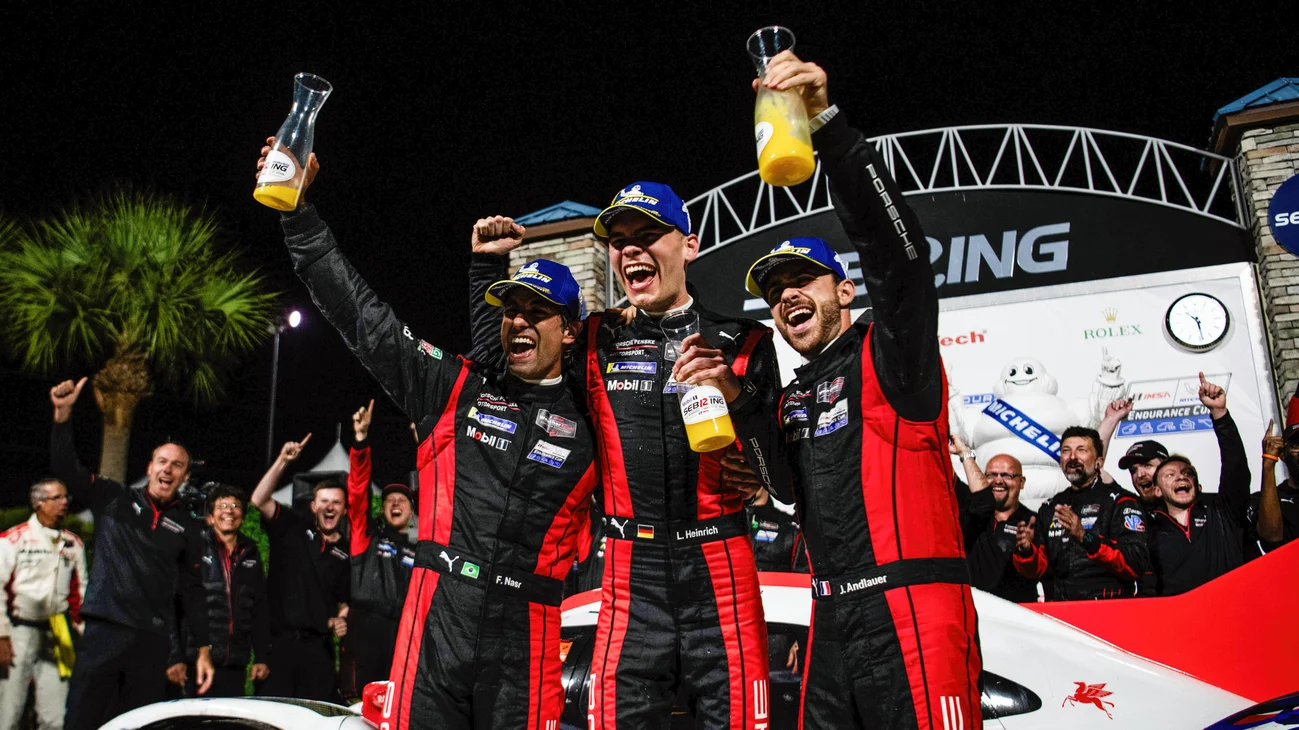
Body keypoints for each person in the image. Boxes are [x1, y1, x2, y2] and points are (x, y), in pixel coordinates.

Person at [264, 151, 597, 730]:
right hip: (438, 617)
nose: (518, 321)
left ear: (569, 330)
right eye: (509, 310)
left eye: (536, 312)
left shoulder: (597, 420)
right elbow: (362, 315)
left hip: (532, 632)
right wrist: (298, 215)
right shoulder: (455, 386)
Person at [468, 193, 784, 727]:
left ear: (689, 246)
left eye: (647, 236)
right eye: (619, 242)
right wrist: (485, 269)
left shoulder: (746, 340)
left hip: (723, 570)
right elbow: (500, 368)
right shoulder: (596, 336)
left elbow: (783, 476)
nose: (630, 250)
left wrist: (745, 416)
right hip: (627, 575)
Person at [738, 53, 981, 729]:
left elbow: (897, 257)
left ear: (843, 292)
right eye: (773, 290)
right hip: (831, 622)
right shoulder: (792, 394)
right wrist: (745, 404)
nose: (786, 295)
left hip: (912, 614)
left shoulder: (890, 353)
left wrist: (828, 129)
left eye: (803, 281)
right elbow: (781, 491)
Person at [47, 378, 213, 730]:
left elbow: (193, 592)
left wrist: (202, 650)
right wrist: (62, 415)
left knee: (136, 724)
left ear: (184, 475)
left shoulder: (190, 526)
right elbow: (66, 468)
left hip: (150, 643)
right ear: (150, 466)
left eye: (177, 465)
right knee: (82, 719)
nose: (168, 469)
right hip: (104, 631)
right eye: (162, 461)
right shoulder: (113, 497)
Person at [248, 435, 349, 702]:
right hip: (279, 647)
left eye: (336, 502)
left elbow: (347, 598)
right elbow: (258, 499)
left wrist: (342, 618)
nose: (330, 507)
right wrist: (283, 460)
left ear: (344, 510)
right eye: (324, 502)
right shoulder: (292, 525)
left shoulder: (346, 551)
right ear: (314, 506)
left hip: (319, 650)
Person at [1014, 427, 1151, 600]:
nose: (1072, 457)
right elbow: (1037, 570)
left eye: (1081, 450)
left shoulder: (1121, 502)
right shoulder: (1050, 507)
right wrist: (1026, 552)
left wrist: (1085, 538)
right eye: (1066, 451)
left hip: (1108, 611)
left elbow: (1135, 563)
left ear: (1099, 462)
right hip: (1059, 615)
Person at [1143, 375, 1250, 596]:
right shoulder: (1149, 529)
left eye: (1187, 473)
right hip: (1181, 624)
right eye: (1170, 475)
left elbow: (1235, 465)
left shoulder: (1222, 511)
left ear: (1198, 486)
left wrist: (1219, 414)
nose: (1181, 478)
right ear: (1157, 490)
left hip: (1234, 612)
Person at [341, 399, 416, 701]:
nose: (396, 503)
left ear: (412, 512)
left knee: (393, 707)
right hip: (366, 631)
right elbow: (357, 492)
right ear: (382, 508)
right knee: (359, 706)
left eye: (403, 500)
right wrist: (361, 441)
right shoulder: (365, 537)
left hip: (401, 634)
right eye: (389, 500)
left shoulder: (418, 551)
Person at [168, 484, 271, 697]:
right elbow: (173, 606)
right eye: (222, 505)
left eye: (235, 505)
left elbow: (259, 609)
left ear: (242, 515)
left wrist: (261, 657)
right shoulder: (194, 548)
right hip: (194, 663)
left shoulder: (251, 553)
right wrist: (174, 657)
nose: (229, 510)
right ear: (211, 516)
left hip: (235, 665)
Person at [0, 479, 86, 730]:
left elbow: (79, 593)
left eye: (66, 498)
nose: (64, 503)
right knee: (8, 712)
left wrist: (83, 632)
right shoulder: (12, 540)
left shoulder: (73, 543)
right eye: (57, 498)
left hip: (57, 632)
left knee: (56, 716)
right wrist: (2, 634)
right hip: (17, 632)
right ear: (38, 503)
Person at [954, 446, 1039, 603]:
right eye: (991, 475)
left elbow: (1040, 572)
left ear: (1021, 482)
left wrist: (1026, 552)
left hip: (1020, 614)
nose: (998, 480)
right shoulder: (972, 514)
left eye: (1006, 475)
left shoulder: (1033, 522)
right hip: (978, 611)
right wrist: (962, 452)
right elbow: (947, 477)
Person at [1252, 421, 1298, 554]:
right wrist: (1268, 462)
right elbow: (1271, 537)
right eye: (1296, 445)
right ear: (1282, 455)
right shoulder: (1265, 500)